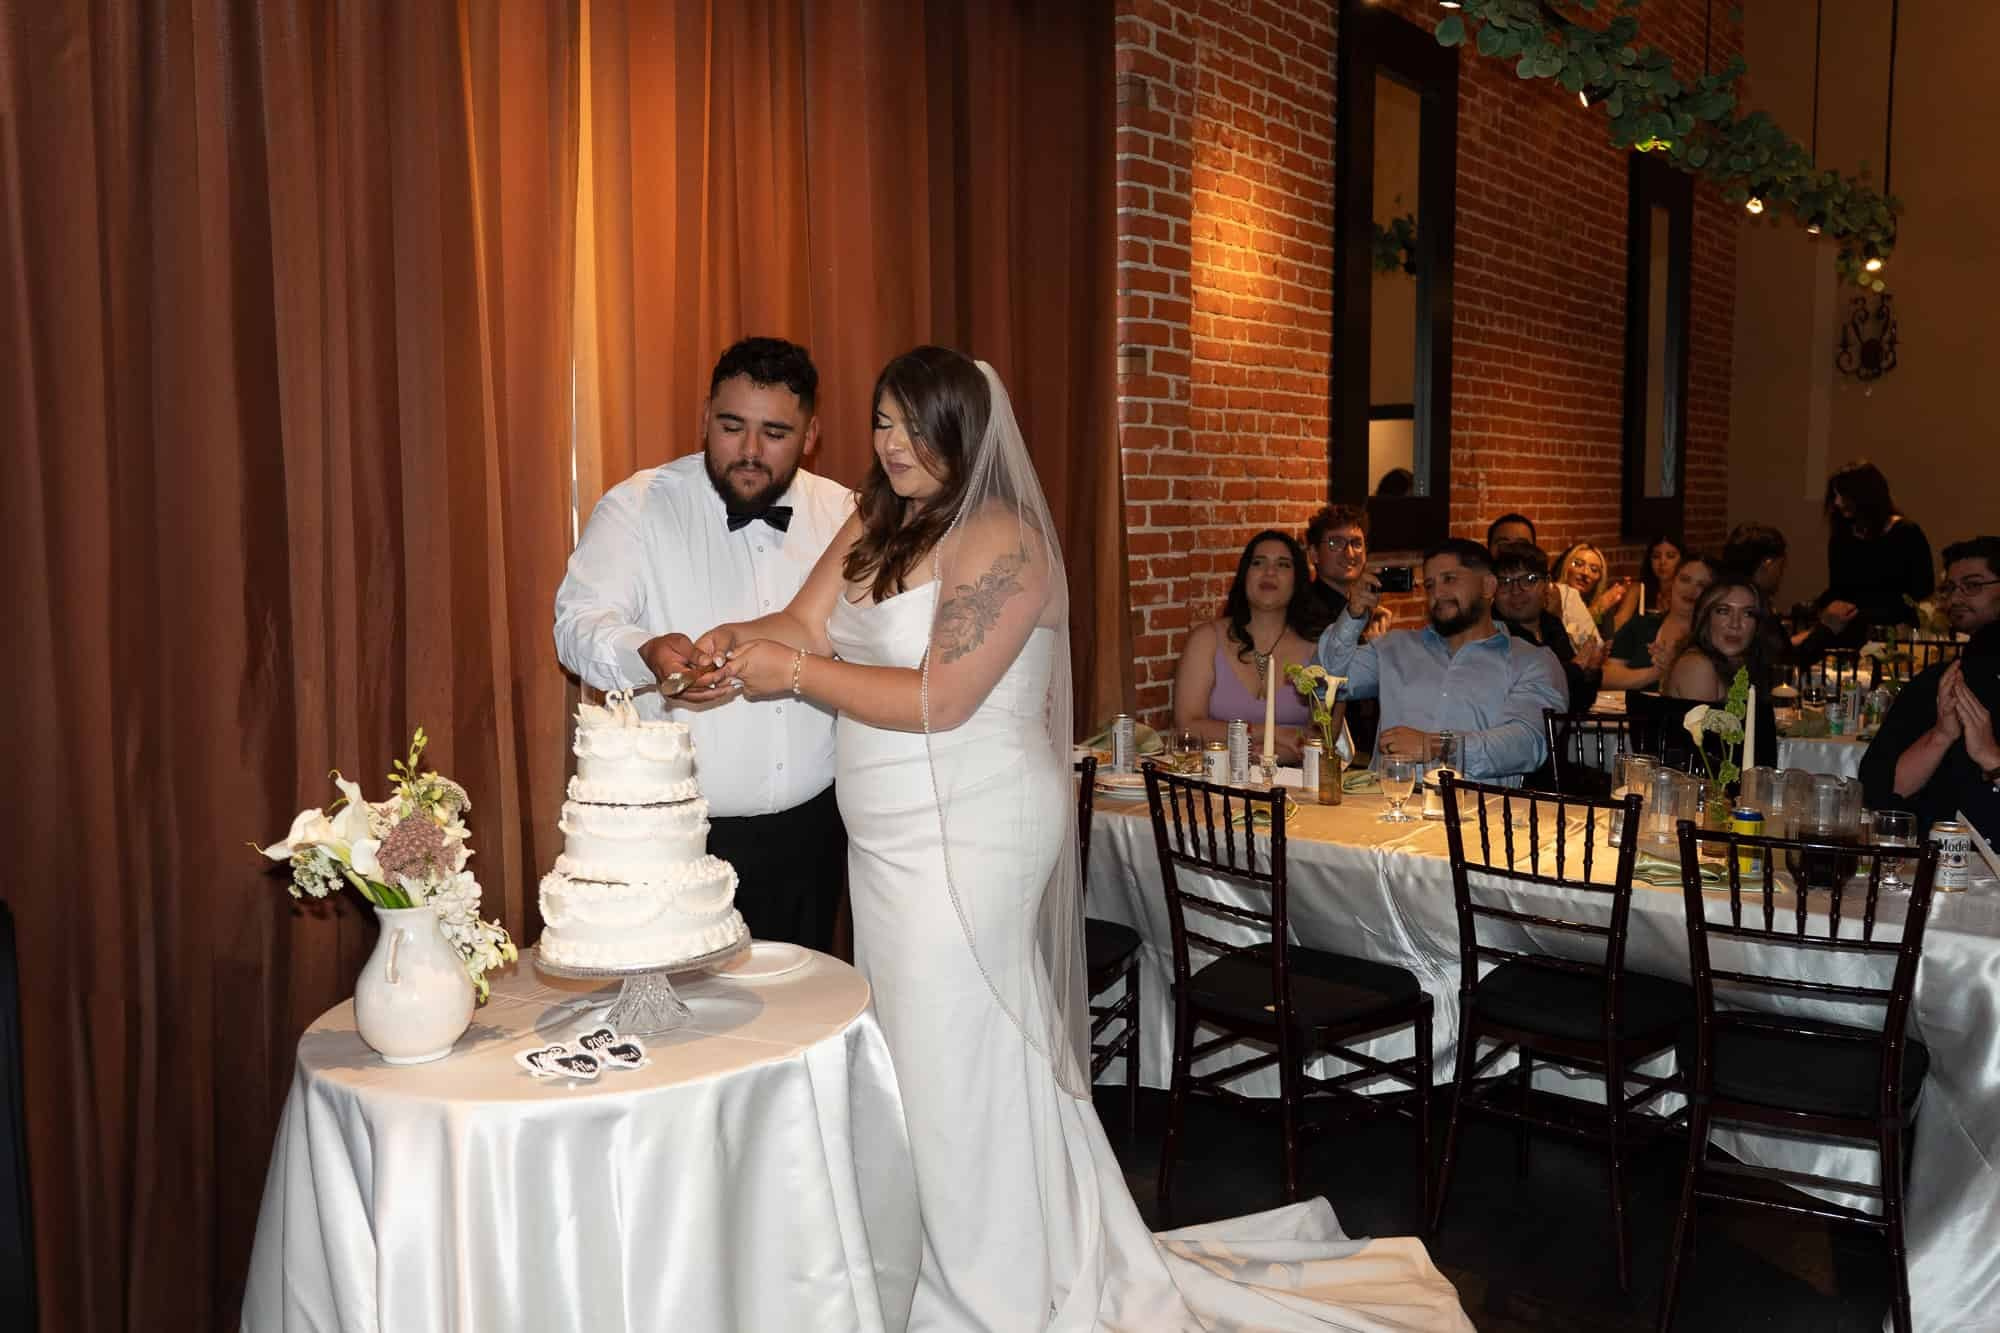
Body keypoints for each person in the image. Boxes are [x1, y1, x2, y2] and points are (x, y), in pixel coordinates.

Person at [695, 347, 1472, 1330]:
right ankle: (960, 1243)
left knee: (953, 1050)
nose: (887, 441)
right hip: (886, 839)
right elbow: (803, 622)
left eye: (908, 424)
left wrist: (793, 676)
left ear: (962, 432)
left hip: (971, 827)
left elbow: (941, 696)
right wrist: (724, 644)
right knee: (927, 1050)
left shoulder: (1003, 542)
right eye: (880, 420)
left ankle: (987, 1286)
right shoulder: (876, 515)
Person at [553, 336, 855, 952]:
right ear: (705, 416)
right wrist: (643, 649)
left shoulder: (844, 513)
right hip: (679, 837)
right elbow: (576, 623)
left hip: (817, 827)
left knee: (803, 1014)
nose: (748, 451)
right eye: (730, 426)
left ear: (812, 433)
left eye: (774, 432)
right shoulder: (637, 506)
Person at [1315, 539, 1566, 783]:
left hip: (1477, 812)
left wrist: (1437, 746)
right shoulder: (1395, 647)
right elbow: (1320, 682)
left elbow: (1528, 743)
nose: (1438, 594)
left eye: (1449, 579)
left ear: (1488, 586)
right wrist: (1352, 616)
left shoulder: (1531, 661)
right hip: (1390, 808)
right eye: (1430, 585)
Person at [1861, 537, 2000, 842]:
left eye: (1973, 585)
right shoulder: (1939, 681)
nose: (1957, 598)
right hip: (1932, 861)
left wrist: (1992, 759)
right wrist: (1941, 735)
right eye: (1950, 588)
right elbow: (1879, 791)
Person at [1171, 531, 1316, 762]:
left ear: (1298, 580)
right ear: (1244, 575)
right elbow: (1188, 727)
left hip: (1295, 782)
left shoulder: (1316, 649)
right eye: (1259, 563)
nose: (1270, 572)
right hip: (1217, 780)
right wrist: (1272, 733)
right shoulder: (1206, 639)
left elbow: (1321, 736)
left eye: (1283, 564)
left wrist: (1279, 755)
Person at [1656, 573, 1780, 770]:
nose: (1735, 624)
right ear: (1705, 617)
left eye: (1748, 613)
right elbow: (1708, 757)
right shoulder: (1698, 666)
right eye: (1723, 611)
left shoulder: (1742, 666)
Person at [1815, 460, 1935, 646]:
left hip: (1895, 635)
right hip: (1850, 633)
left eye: (1843, 495)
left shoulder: (1905, 533)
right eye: (1835, 495)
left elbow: (1923, 588)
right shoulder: (1842, 538)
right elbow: (1839, 588)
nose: (1837, 502)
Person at [1492, 541, 1604, 713]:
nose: (1516, 590)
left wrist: (1591, 672)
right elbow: (1535, 695)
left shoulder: (1551, 624)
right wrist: (1576, 668)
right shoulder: (1492, 632)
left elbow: (1577, 702)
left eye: (1529, 580)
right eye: (1505, 581)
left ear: (1547, 584)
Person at [1602, 552, 1717, 704]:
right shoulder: (1642, 625)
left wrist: (1676, 670)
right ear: (1673, 582)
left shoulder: (1713, 636)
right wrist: (1656, 672)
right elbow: (1607, 677)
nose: (1691, 589)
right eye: (1685, 580)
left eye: (1702, 585)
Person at [1486, 514, 1601, 652]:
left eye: (1529, 580)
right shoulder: (1483, 612)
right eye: (1503, 544)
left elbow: (1593, 646)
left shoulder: (1564, 598)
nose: (1516, 590)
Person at [1553, 541, 1631, 630]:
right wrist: (1597, 609)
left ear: (1599, 580)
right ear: (1565, 567)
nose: (1585, 572)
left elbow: (1604, 639)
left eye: (1594, 570)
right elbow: (1567, 633)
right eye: (1578, 564)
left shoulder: (1602, 608)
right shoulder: (1551, 598)